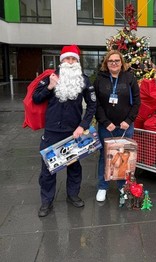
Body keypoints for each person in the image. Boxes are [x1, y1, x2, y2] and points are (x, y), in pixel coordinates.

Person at [33, 45, 97, 217]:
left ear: (77, 61)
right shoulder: (51, 77)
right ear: (62, 61)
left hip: (73, 131)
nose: (70, 62)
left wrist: (82, 126)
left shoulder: (83, 79)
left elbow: (92, 105)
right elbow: (36, 98)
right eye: (67, 59)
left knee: (74, 166)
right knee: (48, 168)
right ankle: (46, 201)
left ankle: (73, 194)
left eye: (73, 59)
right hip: (52, 130)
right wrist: (50, 87)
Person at [93, 50, 140, 202]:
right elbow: (96, 104)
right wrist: (106, 122)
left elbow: (137, 101)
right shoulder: (100, 79)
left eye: (117, 60)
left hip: (126, 126)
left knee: (124, 156)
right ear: (106, 64)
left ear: (121, 63)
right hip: (106, 127)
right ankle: (102, 187)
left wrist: (129, 120)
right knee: (104, 157)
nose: (114, 63)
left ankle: (122, 186)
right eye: (110, 61)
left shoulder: (129, 78)